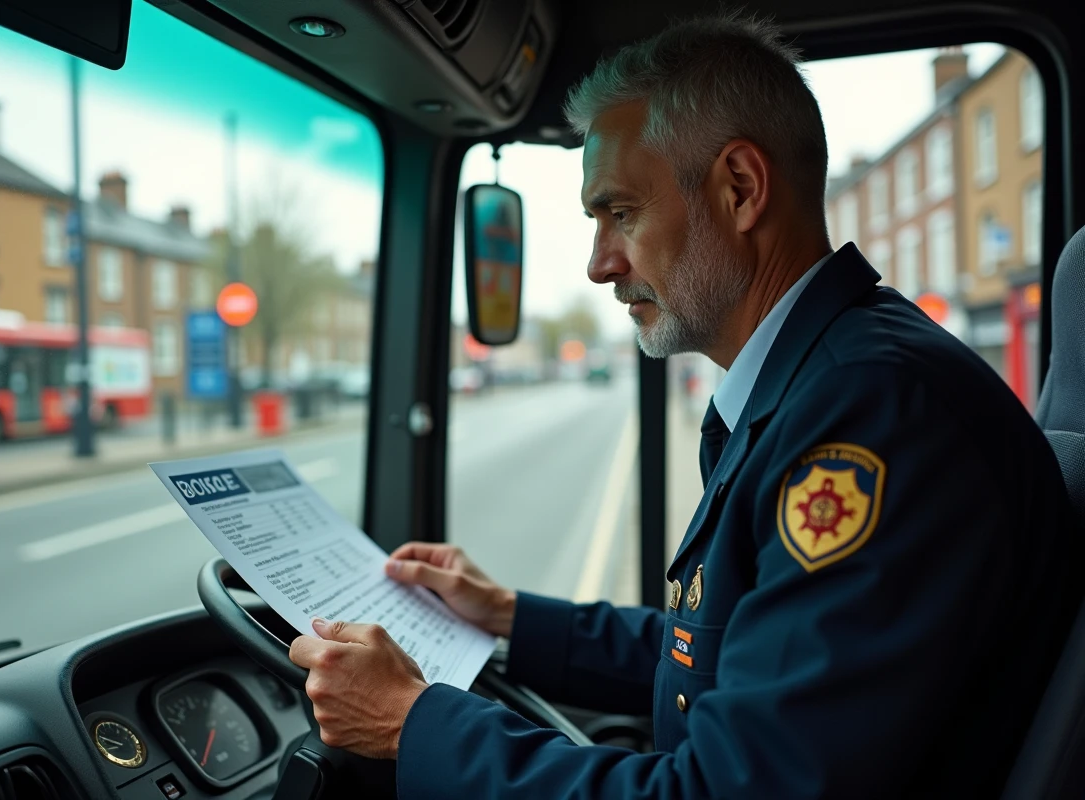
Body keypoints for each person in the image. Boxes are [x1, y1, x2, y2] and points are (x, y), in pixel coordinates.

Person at [288, 13, 1083, 798]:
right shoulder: (825, 380)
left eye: (621, 214)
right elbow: (730, 652)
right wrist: (505, 613)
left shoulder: (871, 417)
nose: (601, 265)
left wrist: (412, 724)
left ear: (740, 189)